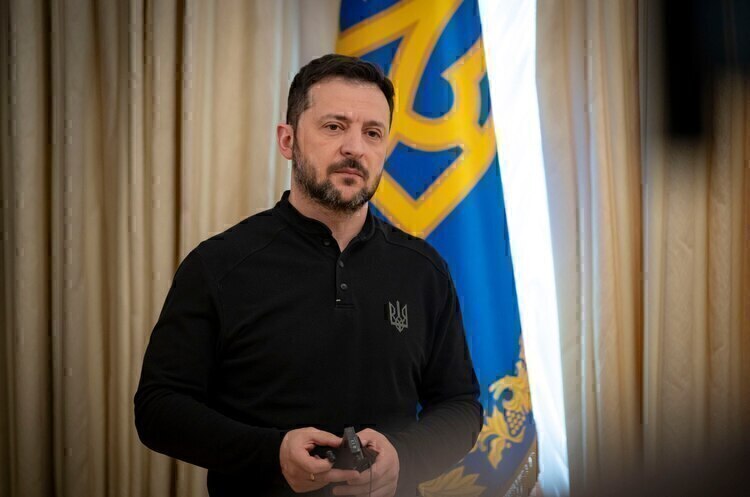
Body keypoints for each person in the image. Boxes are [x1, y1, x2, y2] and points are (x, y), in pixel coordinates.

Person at [134, 54, 482, 497]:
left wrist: (404, 457)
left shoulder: (424, 270)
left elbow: (460, 406)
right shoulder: (218, 265)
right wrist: (272, 453)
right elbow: (158, 409)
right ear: (288, 139)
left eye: (372, 133)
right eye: (334, 126)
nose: (355, 148)